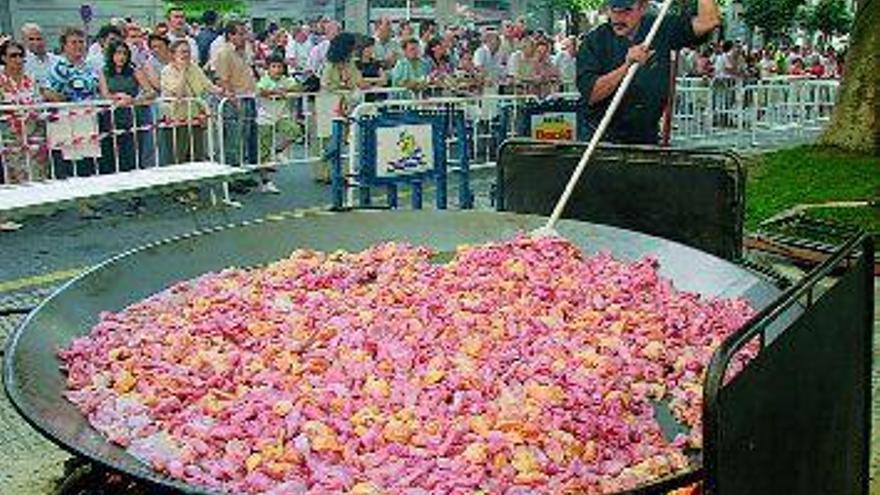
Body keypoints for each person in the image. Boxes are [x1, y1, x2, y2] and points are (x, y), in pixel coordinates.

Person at [576, 0, 720, 144]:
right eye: (614, 10)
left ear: (642, 7)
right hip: (599, 138)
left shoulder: (660, 28)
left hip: (645, 136)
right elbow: (592, 93)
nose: (618, 18)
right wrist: (626, 67)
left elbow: (708, 21)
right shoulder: (594, 42)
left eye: (626, 11)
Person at [160, 39, 225, 164]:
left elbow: (208, 86)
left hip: (195, 118)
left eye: (188, 52)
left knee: (197, 156)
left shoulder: (194, 68)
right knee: (178, 158)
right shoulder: (167, 71)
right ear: (173, 54)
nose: (187, 55)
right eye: (183, 52)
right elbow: (179, 94)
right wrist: (183, 71)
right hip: (177, 121)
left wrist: (224, 92)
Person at [98, 39, 156, 173]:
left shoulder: (134, 70)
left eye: (124, 53)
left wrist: (133, 100)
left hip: (132, 119)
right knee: (110, 157)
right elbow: (105, 95)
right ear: (111, 55)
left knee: (131, 157)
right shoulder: (104, 71)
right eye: (118, 53)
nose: (121, 57)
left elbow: (151, 92)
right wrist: (119, 96)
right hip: (111, 119)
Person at [256, 53, 302, 187]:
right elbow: (260, 90)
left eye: (279, 67)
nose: (277, 69)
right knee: (264, 151)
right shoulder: (265, 79)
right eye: (273, 66)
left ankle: (278, 151)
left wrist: (286, 89)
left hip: (281, 116)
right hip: (265, 117)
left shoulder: (284, 79)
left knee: (296, 131)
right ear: (268, 68)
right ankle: (265, 182)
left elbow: (298, 87)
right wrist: (275, 92)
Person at [20, 23, 60, 90]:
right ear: (23, 40)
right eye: (31, 39)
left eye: (39, 39)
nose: (36, 43)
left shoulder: (57, 60)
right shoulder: (19, 62)